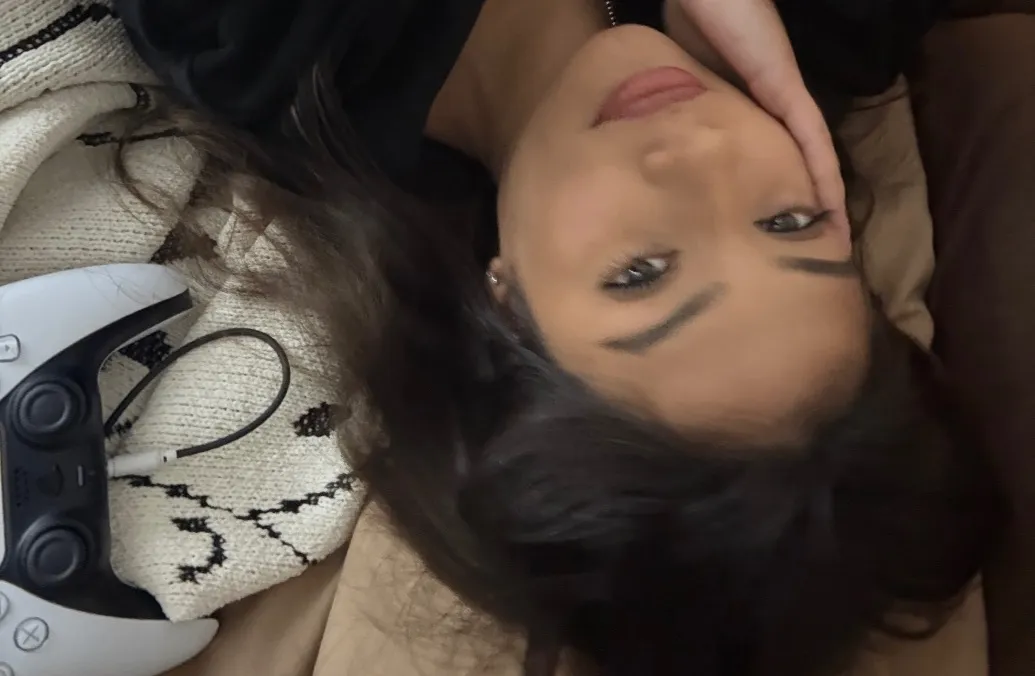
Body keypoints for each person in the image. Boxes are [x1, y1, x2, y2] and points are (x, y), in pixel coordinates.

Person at [110, 0, 1001, 674]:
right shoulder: (835, 24)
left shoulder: (266, 42)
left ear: (507, 311)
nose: (697, 156)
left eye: (639, 274)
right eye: (786, 222)